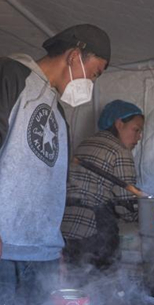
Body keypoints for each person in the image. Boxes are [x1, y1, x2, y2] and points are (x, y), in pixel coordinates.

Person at [0, 24, 111, 305]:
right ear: (75, 56)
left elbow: (49, 185)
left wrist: (53, 245)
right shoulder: (11, 73)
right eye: (95, 73)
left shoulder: (59, 113)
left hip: (40, 256)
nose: (91, 84)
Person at [61, 100, 144, 273]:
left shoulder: (85, 143)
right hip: (94, 232)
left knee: (74, 285)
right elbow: (126, 206)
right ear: (119, 123)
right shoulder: (120, 151)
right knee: (101, 286)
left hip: (65, 228)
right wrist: (148, 216)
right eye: (136, 129)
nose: (139, 137)